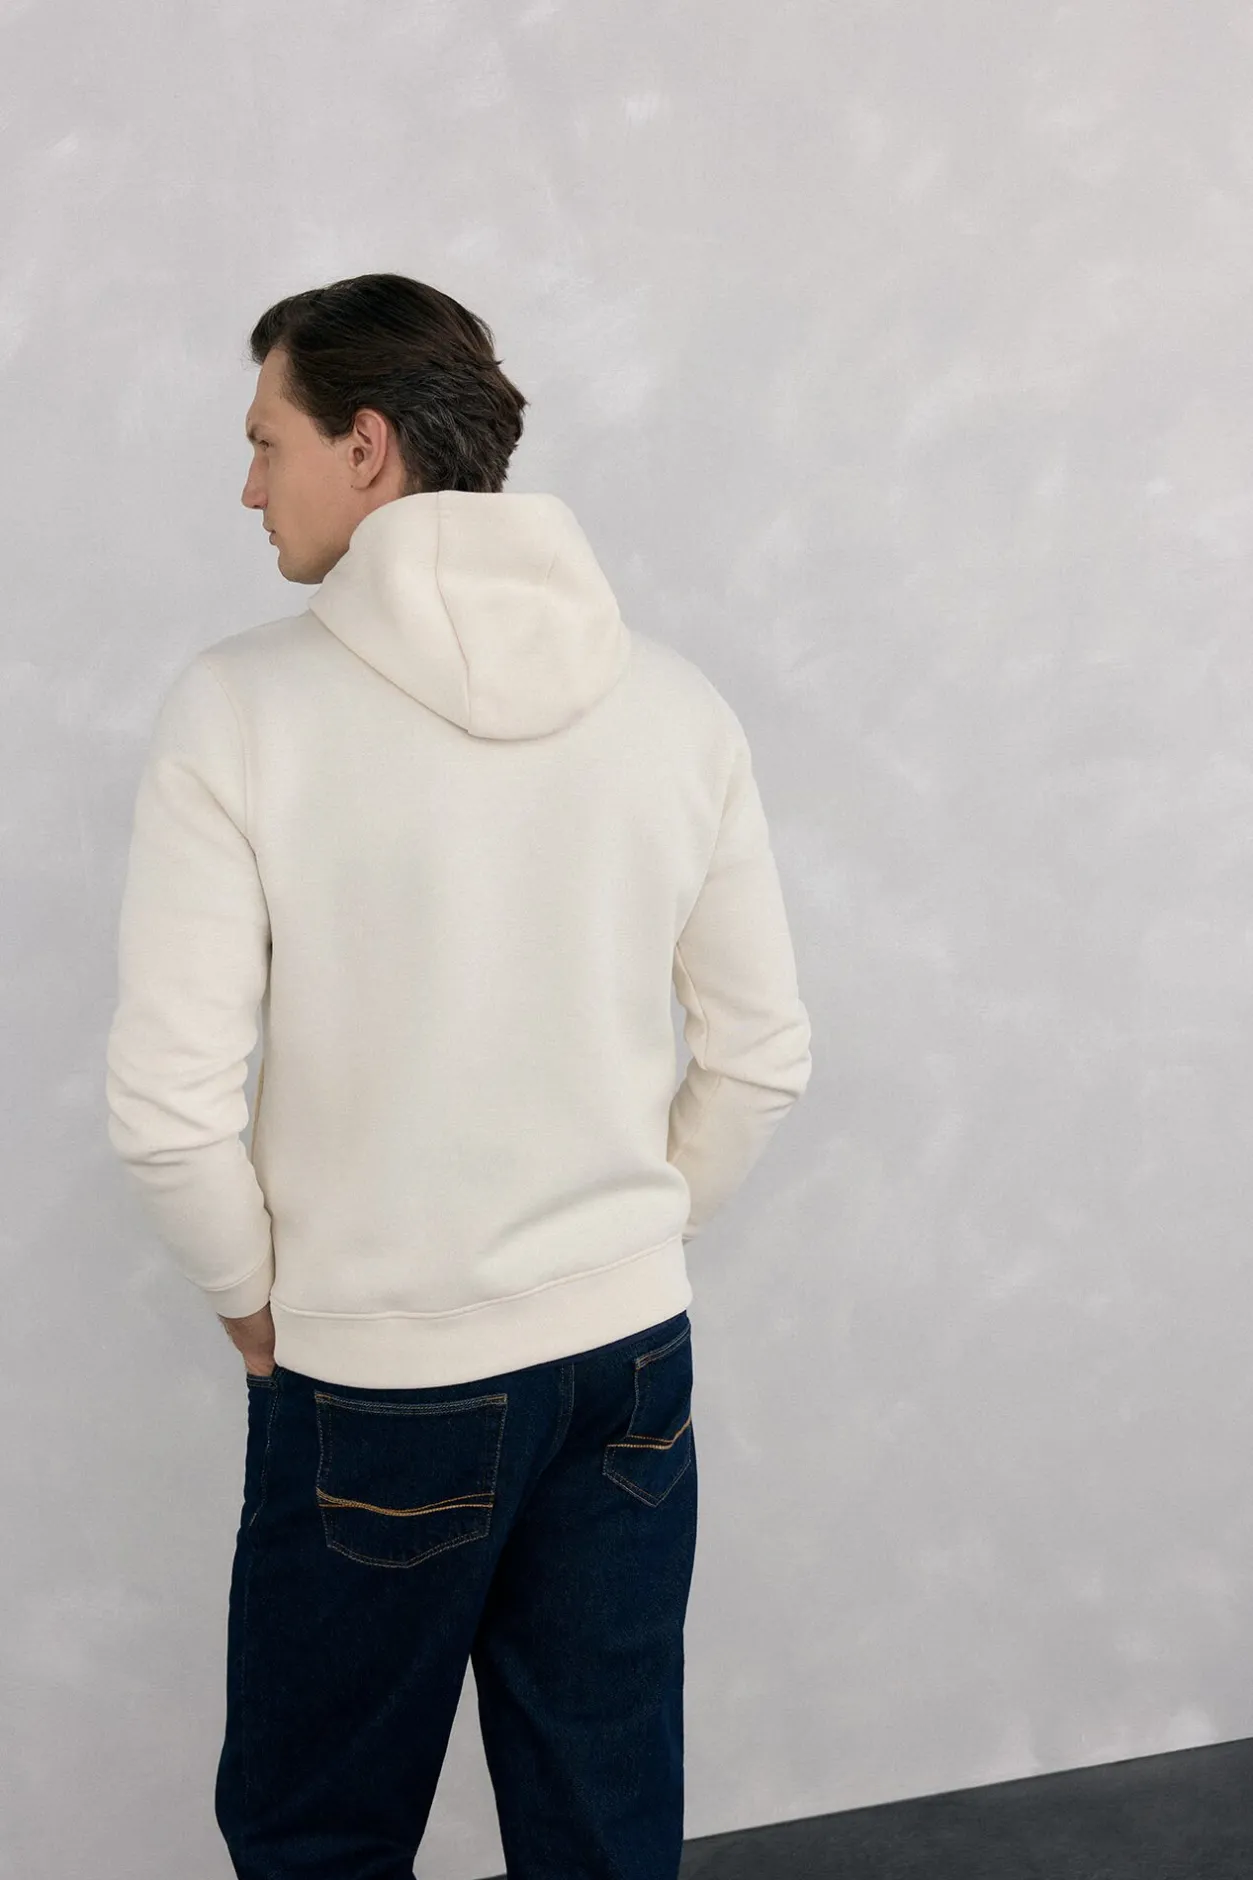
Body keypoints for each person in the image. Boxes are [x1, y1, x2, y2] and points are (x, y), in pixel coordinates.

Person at [105, 272, 812, 1880]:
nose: (248, 486)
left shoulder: (240, 709)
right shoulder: (675, 703)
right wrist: (626, 1238)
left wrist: (254, 1311)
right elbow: (763, 1054)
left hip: (378, 1379)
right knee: (603, 1828)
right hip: (628, 1367)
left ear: (364, 447)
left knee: (321, 1835)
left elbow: (166, 1115)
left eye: (266, 441)